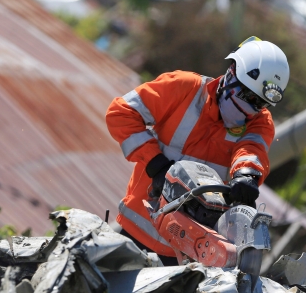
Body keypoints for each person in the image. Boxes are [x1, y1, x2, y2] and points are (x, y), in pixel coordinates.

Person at [106, 36, 289, 265]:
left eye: (259, 102)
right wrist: (156, 164)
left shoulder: (260, 123)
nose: (250, 108)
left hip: (186, 256)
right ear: (232, 73)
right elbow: (121, 113)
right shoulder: (184, 88)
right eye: (247, 96)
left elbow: (251, 152)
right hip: (135, 232)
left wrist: (247, 176)